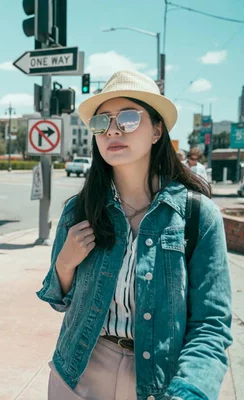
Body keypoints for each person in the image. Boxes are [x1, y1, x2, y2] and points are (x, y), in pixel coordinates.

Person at [37, 70, 232, 399]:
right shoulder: (79, 210)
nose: (113, 129)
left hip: (158, 381)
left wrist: (190, 391)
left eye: (128, 118)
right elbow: (58, 298)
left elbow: (211, 324)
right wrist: (64, 265)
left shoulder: (198, 216)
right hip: (78, 371)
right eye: (102, 122)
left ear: (157, 130)